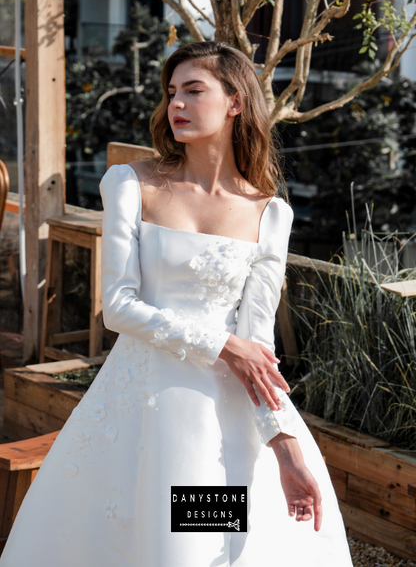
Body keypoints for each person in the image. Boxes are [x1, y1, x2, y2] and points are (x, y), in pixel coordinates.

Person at [0, 41, 353, 566]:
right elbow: (117, 307)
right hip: (142, 406)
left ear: (235, 101)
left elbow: (258, 351)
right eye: (171, 93)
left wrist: (286, 449)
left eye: (194, 90)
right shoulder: (131, 183)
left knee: (202, 549)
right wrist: (223, 344)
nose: (176, 106)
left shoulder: (270, 214)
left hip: (218, 418)